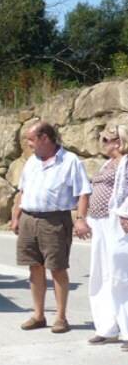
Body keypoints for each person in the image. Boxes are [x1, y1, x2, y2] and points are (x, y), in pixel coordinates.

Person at [11, 121, 91, 334]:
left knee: (57, 268)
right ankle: (38, 315)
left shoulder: (70, 161)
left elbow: (83, 192)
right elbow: (22, 191)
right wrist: (16, 216)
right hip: (29, 218)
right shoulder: (31, 162)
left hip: (55, 220)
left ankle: (61, 317)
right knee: (34, 267)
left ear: (45, 138)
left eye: (31, 139)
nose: (28, 144)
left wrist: (81, 219)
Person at [86, 125, 128, 346]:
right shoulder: (107, 164)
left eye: (107, 139)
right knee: (101, 273)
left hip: (119, 222)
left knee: (121, 275)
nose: (103, 143)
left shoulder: (126, 162)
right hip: (101, 222)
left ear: (119, 141)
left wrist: (126, 213)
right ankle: (106, 325)